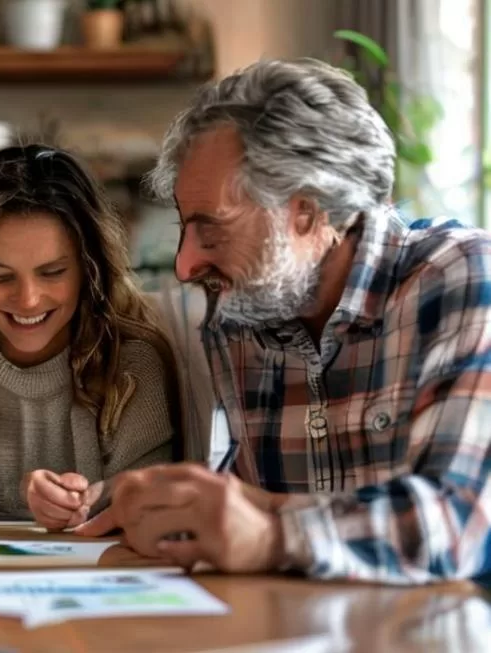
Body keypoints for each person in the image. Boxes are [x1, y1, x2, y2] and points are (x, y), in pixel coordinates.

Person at [79, 58, 491, 584]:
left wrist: (271, 535)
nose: (185, 265)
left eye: (212, 229)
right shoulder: (246, 313)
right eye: (186, 229)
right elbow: (268, 506)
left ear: (308, 212)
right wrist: (166, 502)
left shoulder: (461, 277)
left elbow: (460, 521)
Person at [0, 144, 192, 528]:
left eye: (52, 272)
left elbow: (146, 484)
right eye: (0, 276)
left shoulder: (131, 360)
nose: (28, 299)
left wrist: (85, 500)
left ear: (91, 270)